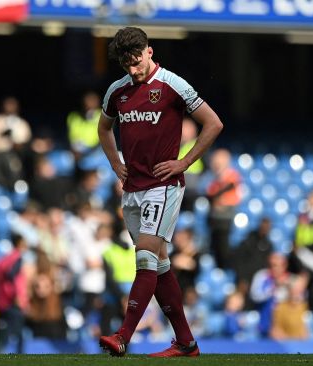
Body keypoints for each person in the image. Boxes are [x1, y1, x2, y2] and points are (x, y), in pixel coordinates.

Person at [97, 27, 223, 358]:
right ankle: (186, 343)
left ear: (149, 51)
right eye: (127, 64)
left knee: (145, 257)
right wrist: (115, 162)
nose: (133, 69)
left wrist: (185, 162)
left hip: (163, 186)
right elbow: (103, 128)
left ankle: (123, 336)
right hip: (132, 188)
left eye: (137, 61)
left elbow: (213, 123)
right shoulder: (118, 91)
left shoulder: (172, 84)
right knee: (160, 266)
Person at [0, 233, 29, 353]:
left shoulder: (5, 258)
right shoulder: (16, 258)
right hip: (12, 301)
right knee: (17, 331)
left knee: (3, 328)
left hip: (2, 299)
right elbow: (11, 275)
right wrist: (16, 295)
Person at [206, 148, 242, 269]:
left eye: (218, 162)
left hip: (226, 215)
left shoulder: (231, 175)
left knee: (223, 244)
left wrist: (216, 197)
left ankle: (225, 266)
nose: (215, 165)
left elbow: (226, 189)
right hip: (215, 216)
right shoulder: (214, 179)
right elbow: (210, 195)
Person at [67, 91, 102, 161]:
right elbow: (72, 137)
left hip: (96, 151)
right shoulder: (73, 116)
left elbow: (105, 138)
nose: (89, 109)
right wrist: (75, 150)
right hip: (77, 150)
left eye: (92, 106)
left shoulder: (102, 116)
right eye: (87, 106)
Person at [178, 117, 204, 212]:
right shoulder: (172, 146)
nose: (182, 133)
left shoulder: (200, 146)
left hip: (194, 188)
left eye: (185, 129)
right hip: (177, 187)